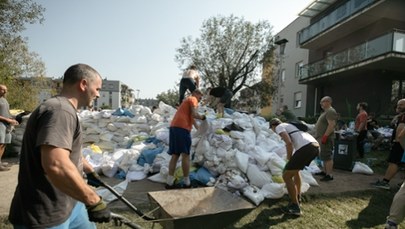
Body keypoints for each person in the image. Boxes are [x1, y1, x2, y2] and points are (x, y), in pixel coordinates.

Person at [8, 64, 111, 228]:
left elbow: (66, 151)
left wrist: (88, 169)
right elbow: (56, 164)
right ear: (83, 84)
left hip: (71, 203)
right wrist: (93, 200)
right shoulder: (60, 111)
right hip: (47, 213)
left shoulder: (64, 109)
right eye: (97, 88)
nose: (98, 94)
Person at [270, 118, 320, 216]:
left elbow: (289, 143)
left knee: (286, 176)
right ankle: (297, 197)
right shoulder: (290, 126)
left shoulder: (279, 127)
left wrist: (288, 159)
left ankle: (295, 206)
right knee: (295, 171)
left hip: (306, 147)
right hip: (314, 146)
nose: (273, 131)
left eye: (271, 129)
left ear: (272, 126)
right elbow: (291, 143)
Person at [166, 89, 206, 189]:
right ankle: (187, 183)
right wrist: (204, 117)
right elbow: (194, 114)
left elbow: (192, 119)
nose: (200, 100)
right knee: (186, 155)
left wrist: (199, 130)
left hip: (174, 127)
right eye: (200, 97)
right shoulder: (193, 99)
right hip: (182, 129)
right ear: (196, 94)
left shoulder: (186, 101)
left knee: (175, 155)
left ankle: (169, 182)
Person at [372, 99, 405, 190]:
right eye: (398, 104)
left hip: (400, 143)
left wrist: (398, 142)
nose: (399, 106)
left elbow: (400, 130)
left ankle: (385, 182)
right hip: (401, 143)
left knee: (393, 162)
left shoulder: (403, 117)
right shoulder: (400, 116)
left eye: (401, 105)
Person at [314, 96, 338, 181]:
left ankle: (329, 175)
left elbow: (331, 125)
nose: (321, 104)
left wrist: (325, 136)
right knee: (323, 156)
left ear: (328, 102)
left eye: (322, 102)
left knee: (327, 156)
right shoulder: (326, 112)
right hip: (321, 138)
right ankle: (325, 171)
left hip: (326, 138)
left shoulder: (331, 111)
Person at [0, 84, 19, 171]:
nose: (5, 91)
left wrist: (13, 119)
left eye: (6, 90)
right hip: (1, 124)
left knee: (4, 144)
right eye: (3, 90)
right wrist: (8, 120)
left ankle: (0, 162)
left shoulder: (4, 100)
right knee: (0, 144)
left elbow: (7, 112)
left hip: (7, 125)